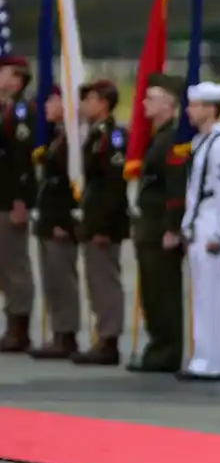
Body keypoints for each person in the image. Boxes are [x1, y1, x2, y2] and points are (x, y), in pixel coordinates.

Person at [179, 82, 220, 381]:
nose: (189, 111)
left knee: (212, 296)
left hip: (213, 222)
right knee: (201, 296)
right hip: (199, 221)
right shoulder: (201, 142)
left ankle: (214, 361)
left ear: (210, 108)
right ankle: (202, 356)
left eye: (195, 105)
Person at [127, 73, 189, 373]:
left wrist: (173, 227)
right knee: (151, 293)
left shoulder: (172, 139)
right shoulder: (159, 137)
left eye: (151, 98)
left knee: (163, 293)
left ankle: (167, 351)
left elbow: (176, 188)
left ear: (169, 103)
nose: (143, 103)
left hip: (161, 229)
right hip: (149, 227)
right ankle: (157, 347)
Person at [73, 80, 130, 366]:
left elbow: (113, 187)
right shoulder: (95, 135)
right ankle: (102, 335)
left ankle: (109, 340)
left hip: (104, 226)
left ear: (103, 103)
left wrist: (103, 227)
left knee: (105, 282)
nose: (84, 106)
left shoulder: (113, 137)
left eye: (89, 100)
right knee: (95, 282)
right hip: (93, 222)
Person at [28, 86, 80, 360]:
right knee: (51, 280)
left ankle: (67, 333)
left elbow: (72, 185)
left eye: (50, 101)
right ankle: (58, 332)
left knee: (63, 279)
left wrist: (64, 221)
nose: (44, 107)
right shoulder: (54, 135)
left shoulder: (73, 137)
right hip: (47, 219)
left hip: (60, 221)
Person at [0, 55, 37, 353]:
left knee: (15, 265)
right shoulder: (4, 109)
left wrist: (21, 201)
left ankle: (19, 327)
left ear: (17, 78)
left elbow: (22, 159)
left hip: (9, 200)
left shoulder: (21, 111)